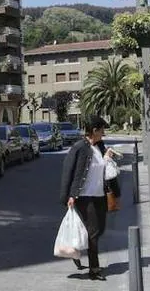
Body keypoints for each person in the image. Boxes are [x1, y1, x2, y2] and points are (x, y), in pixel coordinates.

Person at [59, 115, 113, 281]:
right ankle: (94, 269)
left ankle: (77, 249)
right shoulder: (79, 147)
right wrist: (69, 195)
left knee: (100, 229)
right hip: (84, 196)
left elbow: (102, 168)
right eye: (102, 129)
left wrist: (107, 157)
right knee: (93, 232)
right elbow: (69, 172)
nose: (104, 133)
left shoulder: (99, 146)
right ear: (95, 130)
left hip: (100, 195)